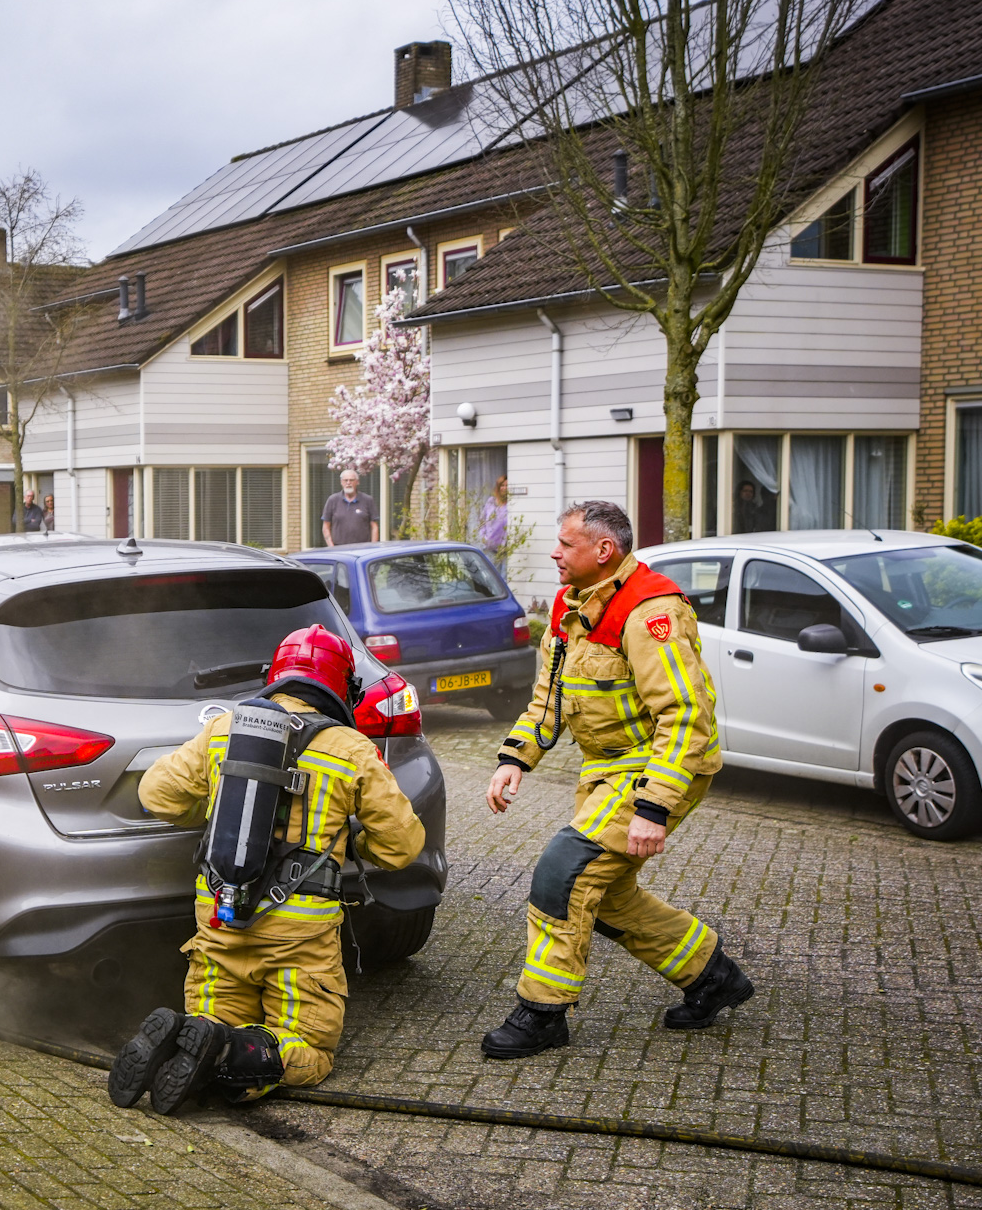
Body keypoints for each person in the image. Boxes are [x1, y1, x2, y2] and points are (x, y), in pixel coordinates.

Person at [108, 625, 424, 1113]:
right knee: (309, 1050)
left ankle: (190, 1042)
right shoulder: (351, 748)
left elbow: (155, 794)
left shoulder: (223, 729)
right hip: (299, 935)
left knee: (211, 1023)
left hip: (218, 920)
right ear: (341, 687)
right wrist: (348, 843)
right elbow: (403, 845)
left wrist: (212, 815)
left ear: (275, 675)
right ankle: (230, 1054)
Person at [481, 499, 751, 1059]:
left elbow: (686, 715)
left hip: (655, 768)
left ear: (604, 551)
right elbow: (548, 700)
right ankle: (710, 975)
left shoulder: (650, 610)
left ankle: (543, 1012)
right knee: (606, 895)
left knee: (565, 872)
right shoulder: (568, 605)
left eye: (566, 543)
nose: (554, 552)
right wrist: (515, 758)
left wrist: (654, 806)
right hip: (605, 770)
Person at [322, 470, 379, 545]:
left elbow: (374, 526)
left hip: (363, 549)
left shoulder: (367, 500)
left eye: (351, 480)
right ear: (341, 482)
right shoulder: (332, 500)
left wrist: (372, 546)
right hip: (339, 549)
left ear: (357, 482)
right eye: (345, 480)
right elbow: (326, 526)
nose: (348, 483)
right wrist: (331, 546)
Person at [477, 475, 509, 557]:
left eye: (507, 486)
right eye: (502, 485)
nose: (505, 488)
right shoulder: (491, 502)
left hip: (506, 550)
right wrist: (484, 538)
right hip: (490, 549)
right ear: (498, 487)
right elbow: (482, 521)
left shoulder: (511, 505)